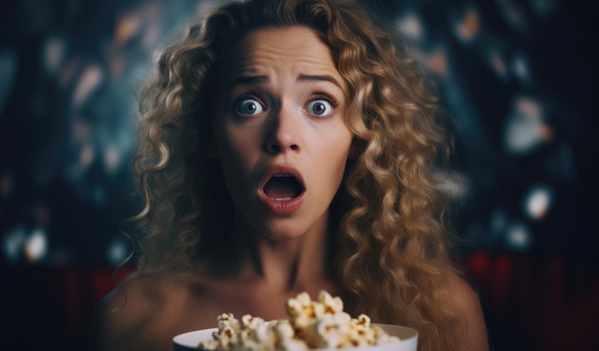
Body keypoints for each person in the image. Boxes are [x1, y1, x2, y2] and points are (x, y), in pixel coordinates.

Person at [91, 0, 489, 350]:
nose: (282, 135)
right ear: (209, 132)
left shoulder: (440, 311)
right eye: (249, 105)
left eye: (319, 106)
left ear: (359, 136)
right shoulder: (134, 319)